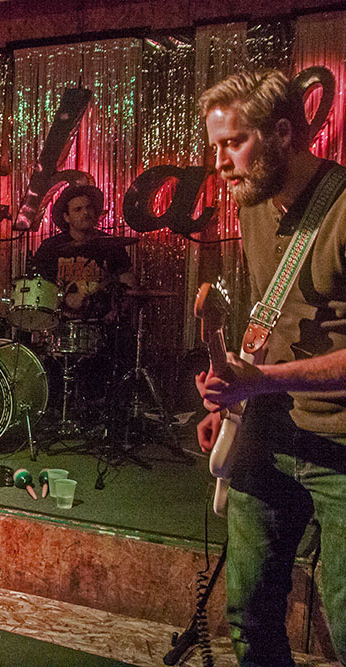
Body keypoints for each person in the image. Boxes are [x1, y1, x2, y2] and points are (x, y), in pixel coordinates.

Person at [196, 69, 346, 665]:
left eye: (234, 142)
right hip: (269, 431)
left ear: (283, 132)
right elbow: (271, 322)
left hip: (340, 445)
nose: (222, 163)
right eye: (215, 146)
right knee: (250, 614)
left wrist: (266, 382)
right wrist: (233, 397)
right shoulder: (255, 201)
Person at [31, 183, 135, 321]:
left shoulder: (111, 244)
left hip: (101, 324)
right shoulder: (51, 247)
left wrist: (119, 310)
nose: (85, 213)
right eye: (78, 209)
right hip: (59, 323)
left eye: (88, 207)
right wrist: (64, 297)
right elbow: (37, 286)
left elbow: (128, 282)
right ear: (67, 217)